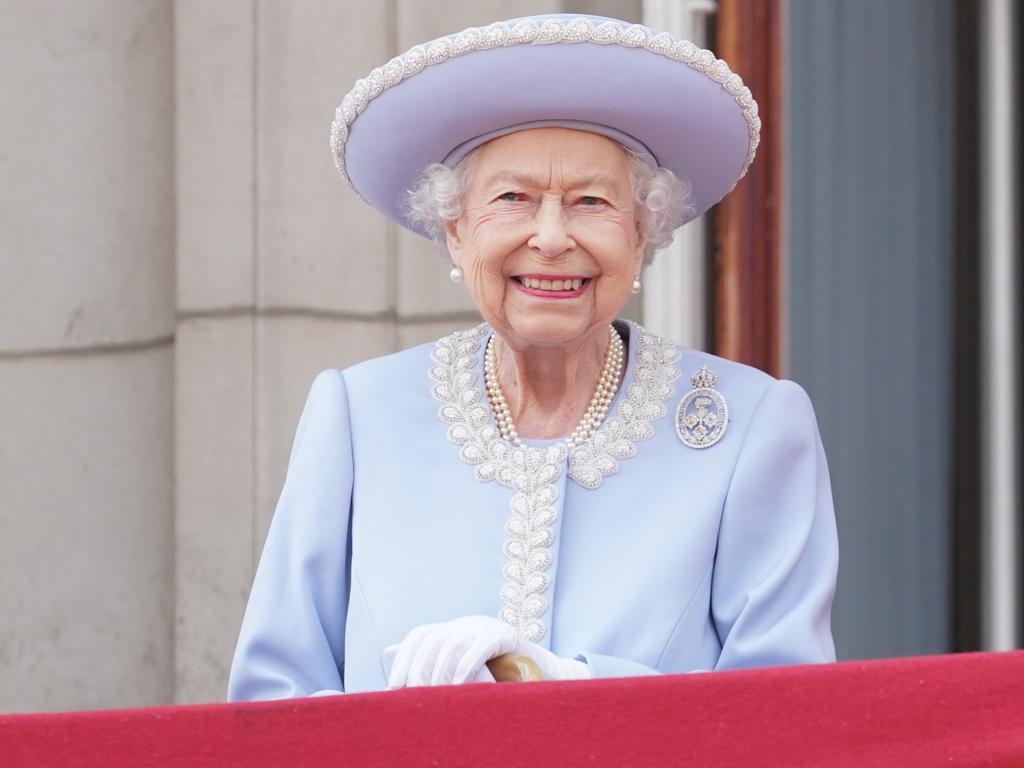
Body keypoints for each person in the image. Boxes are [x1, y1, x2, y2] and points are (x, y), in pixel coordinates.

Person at [227, 13, 838, 700]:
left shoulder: (752, 427)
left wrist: (572, 687)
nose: (551, 237)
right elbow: (271, 700)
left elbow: (787, 710)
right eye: (513, 199)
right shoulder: (357, 417)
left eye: (590, 202)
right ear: (455, 232)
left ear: (642, 236)